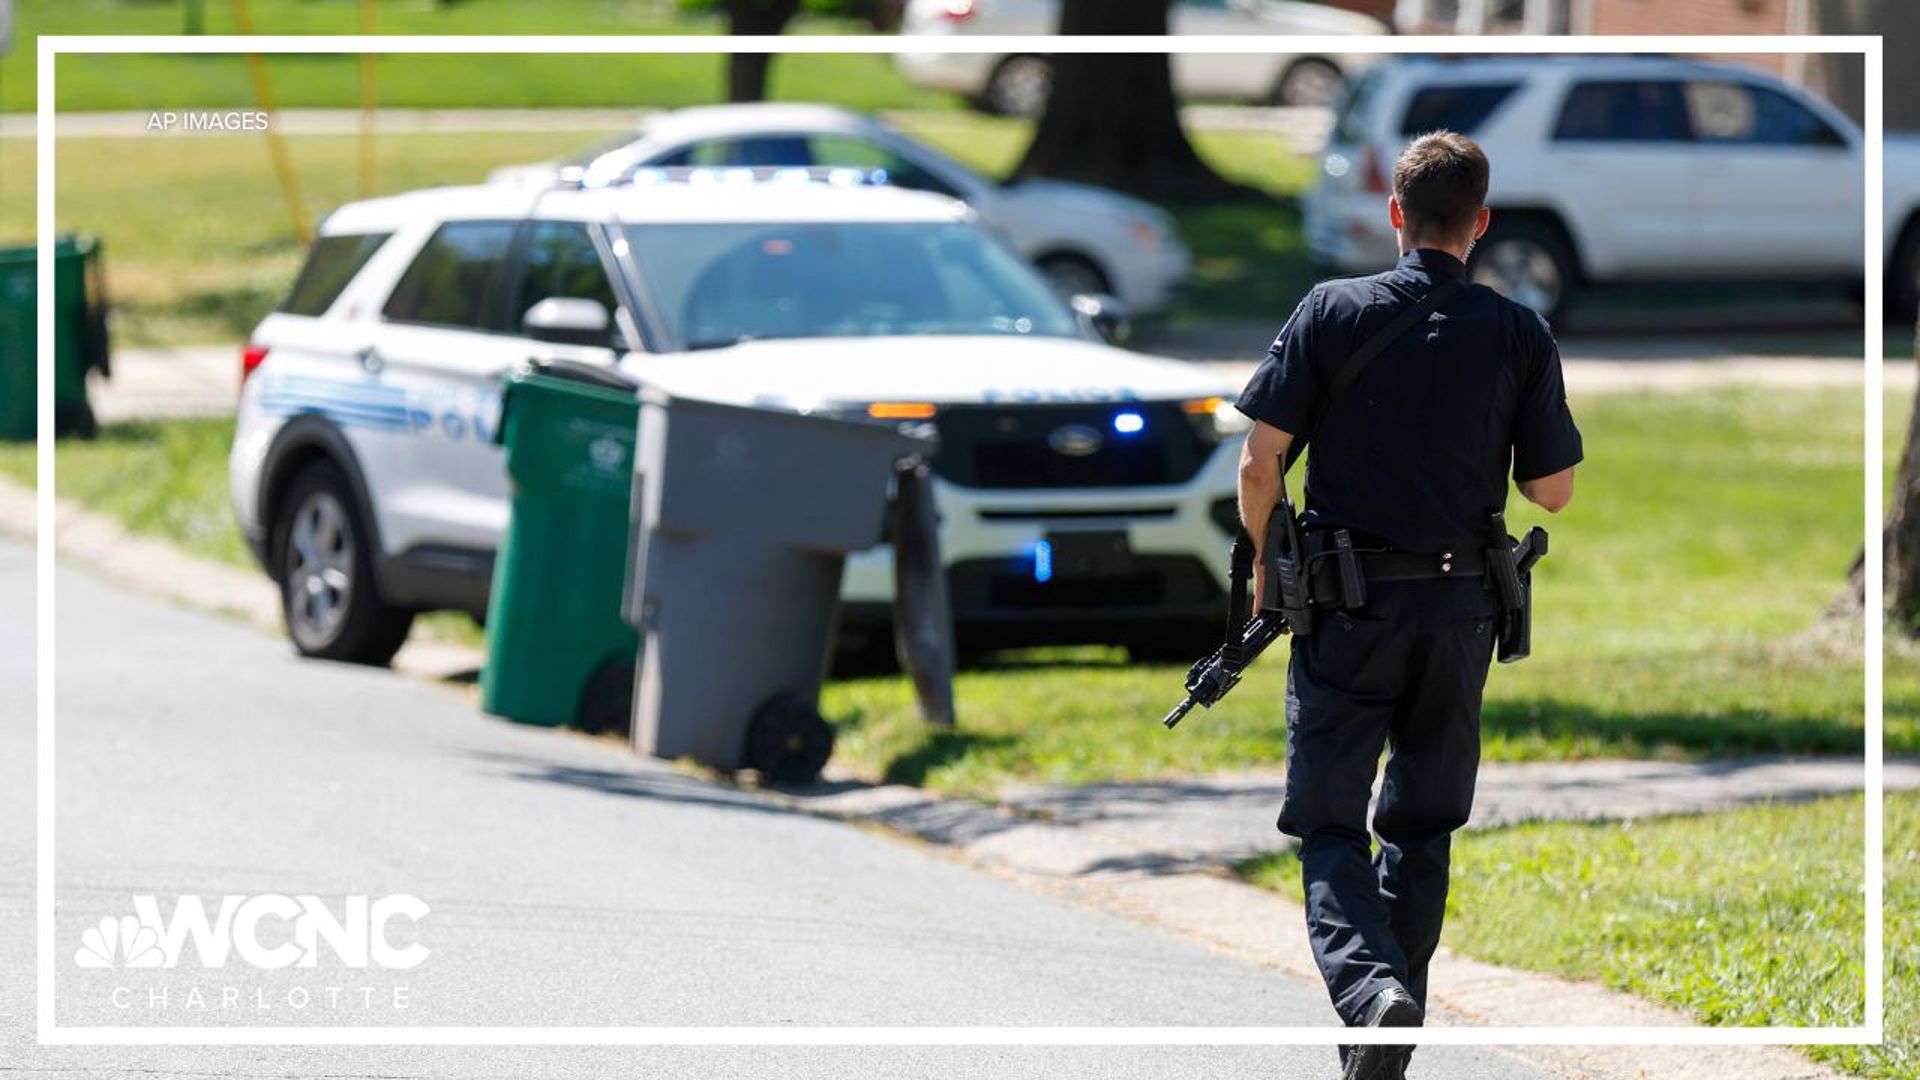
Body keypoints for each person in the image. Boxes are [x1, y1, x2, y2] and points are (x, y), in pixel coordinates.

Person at [1233, 130, 1581, 1079]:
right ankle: (1387, 1023)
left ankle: (1368, 991)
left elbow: (1261, 460)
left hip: (1347, 611)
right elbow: (1553, 491)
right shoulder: (1518, 331)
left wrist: (1268, 562)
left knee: (1332, 824)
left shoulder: (1330, 311)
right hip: (1462, 614)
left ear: (1395, 212)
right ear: (1482, 223)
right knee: (1422, 827)